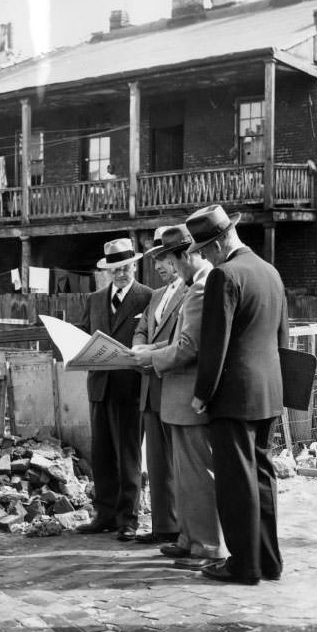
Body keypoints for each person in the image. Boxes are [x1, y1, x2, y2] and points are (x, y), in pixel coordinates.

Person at [186, 205, 288, 585]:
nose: (205, 257)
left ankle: (243, 565)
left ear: (219, 242)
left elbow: (216, 345)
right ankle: (268, 560)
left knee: (234, 481)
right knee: (262, 475)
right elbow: (282, 339)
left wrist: (202, 393)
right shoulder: (270, 272)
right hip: (269, 393)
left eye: (205, 249)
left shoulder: (224, 275)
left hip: (233, 397)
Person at [131, 225, 227, 569]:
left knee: (198, 475)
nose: (170, 268)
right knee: (185, 474)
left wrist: (150, 358)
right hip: (179, 396)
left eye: (170, 259)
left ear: (184, 256)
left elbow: (188, 347)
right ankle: (189, 538)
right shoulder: (195, 285)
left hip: (189, 396)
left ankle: (206, 545)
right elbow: (178, 341)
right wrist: (154, 349)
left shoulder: (201, 288)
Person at [78, 238, 152, 541]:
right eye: (115, 269)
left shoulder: (147, 297)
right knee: (103, 454)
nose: (121, 274)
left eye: (126, 267)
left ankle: (128, 518)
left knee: (129, 455)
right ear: (107, 271)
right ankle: (104, 515)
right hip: (100, 386)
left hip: (130, 387)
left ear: (134, 265)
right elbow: (84, 336)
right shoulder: (95, 300)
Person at [132, 227, 187, 545]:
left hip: (174, 385)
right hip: (150, 388)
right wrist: (139, 346)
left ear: (179, 259)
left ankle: (185, 526)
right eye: (155, 263)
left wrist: (149, 352)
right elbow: (141, 330)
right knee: (157, 462)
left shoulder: (191, 292)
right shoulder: (155, 296)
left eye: (163, 260)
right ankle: (163, 525)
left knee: (181, 461)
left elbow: (182, 340)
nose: (159, 267)